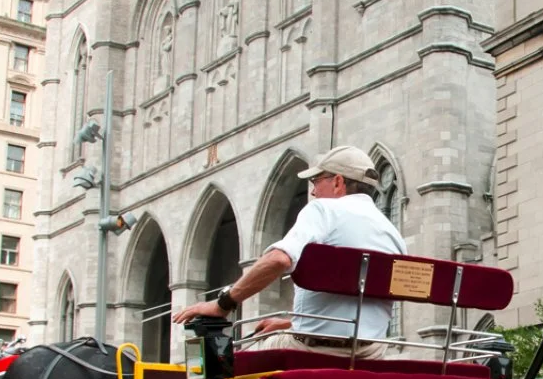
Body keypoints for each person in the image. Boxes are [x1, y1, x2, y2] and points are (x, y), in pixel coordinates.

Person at [171, 145, 407, 357]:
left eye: (316, 181)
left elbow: (279, 259)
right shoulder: (392, 233)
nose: (313, 192)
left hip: (314, 349)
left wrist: (222, 304)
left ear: (337, 182)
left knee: (224, 359)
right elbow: (354, 310)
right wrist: (289, 324)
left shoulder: (323, 210)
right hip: (372, 351)